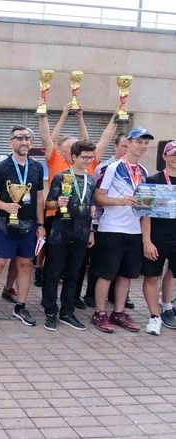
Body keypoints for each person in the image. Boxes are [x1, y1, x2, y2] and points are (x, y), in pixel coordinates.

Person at [36, 105, 117, 288]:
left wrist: (115, 114)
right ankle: (47, 294)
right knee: (54, 264)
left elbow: (101, 140)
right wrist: (63, 114)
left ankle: (72, 299)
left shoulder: (89, 164)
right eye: (71, 148)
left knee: (77, 266)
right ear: (64, 151)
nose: (78, 151)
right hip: (57, 219)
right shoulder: (55, 161)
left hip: (81, 221)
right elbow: (47, 138)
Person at [0, 126, 45, 327]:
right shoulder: (0, 168)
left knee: (25, 265)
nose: (24, 142)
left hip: (29, 224)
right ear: (11, 142)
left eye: (27, 138)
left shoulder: (37, 167)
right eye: (19, 138)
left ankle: (20, 306)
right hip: (4, 223)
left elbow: (39, 198)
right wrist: (5, 206)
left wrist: (41, 224)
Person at [91, 127, 151, 333]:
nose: (142, 146)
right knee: (106, 273)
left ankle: (118, 312)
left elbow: (146, 206)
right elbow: (98, 197)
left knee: (126, 274)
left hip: (134, 230)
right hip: (112, 228)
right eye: (139, 142)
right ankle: (100, 312)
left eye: (146, 143)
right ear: (129, 143)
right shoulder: (113, 168)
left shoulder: (144, 171)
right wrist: (120, 201)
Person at [42, 140, 96, 331]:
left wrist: (91, 232)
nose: (88, 161)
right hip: (60, 232)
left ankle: (67, 311)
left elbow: (90, 206)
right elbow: (48, 203)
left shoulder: (91, 180)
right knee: (54, 273)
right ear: (74, 157)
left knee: (74, 274)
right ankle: (50, 311)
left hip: (82, 232)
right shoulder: (61, 177)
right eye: (84, 157)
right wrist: (57, 203)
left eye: (91, 157)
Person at [82, 133, 131, 308]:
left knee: (121, 262)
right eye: (124, 146)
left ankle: (116, 295)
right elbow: (95, 195)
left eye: (129, 146)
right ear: (116, 146)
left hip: (126, 222)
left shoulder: (136, 169)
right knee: (100, 262)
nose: (127, 149)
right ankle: (91, 294)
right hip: (102, 220)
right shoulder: (105, 167)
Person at [140, 141, 176, 335]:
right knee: (152, 275)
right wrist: (147, 241)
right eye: (172, 154)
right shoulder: (151, 180)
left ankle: (167, 306)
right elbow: (144, 213)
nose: (175, 158)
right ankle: (154, 316)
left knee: (172, 273)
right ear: (164, 156)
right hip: (157, 237)